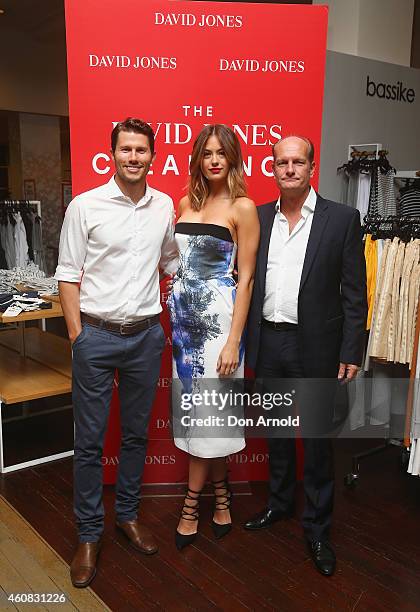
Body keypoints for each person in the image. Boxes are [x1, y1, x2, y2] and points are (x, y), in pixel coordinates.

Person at [55, 118, 178, 587]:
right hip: (97, 337)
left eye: (141, 150)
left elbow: (169, 259)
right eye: (125, 149)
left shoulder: (163, 205)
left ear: (152, 155)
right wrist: (78, 337)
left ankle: (126, 516)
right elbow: (68, 273)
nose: (133, 157)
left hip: (146, 337)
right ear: (112, 153)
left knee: (133, 436)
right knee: (88, 444)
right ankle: (88, 535)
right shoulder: (85, 206)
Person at [244, 135, 367, 576]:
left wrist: (352, 348)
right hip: (270, 341)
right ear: (272, 169)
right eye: (282, 162)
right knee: (276, 433)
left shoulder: (342, 220)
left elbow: (355, 293)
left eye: (298, 162)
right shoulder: (259, 217)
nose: (289, 169)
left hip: (317, 346)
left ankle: (317, 528)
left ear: (312, 167)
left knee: (315, 442)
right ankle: (279, 504)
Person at [168, 124, 259, 550]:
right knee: (203, 419)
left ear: (233, 157)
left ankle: (191, 504)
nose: (215, 160)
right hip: (185, 329)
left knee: (212, 415)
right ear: (198, 159)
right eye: (207, 153)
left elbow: (246, 281)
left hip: (220, 326)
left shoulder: (243, 208)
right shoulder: (186, 202)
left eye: (222, 153)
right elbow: (177, 263)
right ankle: (222, 497)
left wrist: (232, 341)